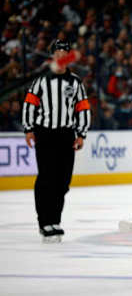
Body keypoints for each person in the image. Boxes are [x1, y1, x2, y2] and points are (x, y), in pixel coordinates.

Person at [22, 39, 91, 243]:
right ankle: (45, 222)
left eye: (65, 51)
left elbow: (83, 108)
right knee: (46, 178)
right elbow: (29, 104)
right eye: (58, 51)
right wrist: (28, 129)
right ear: (52, 55)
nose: (61, 54)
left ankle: (55, 220)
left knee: (63, 181)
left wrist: (81, 134)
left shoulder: (75, 82)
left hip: (66, 136)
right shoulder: (42, 80)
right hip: (45, 134)